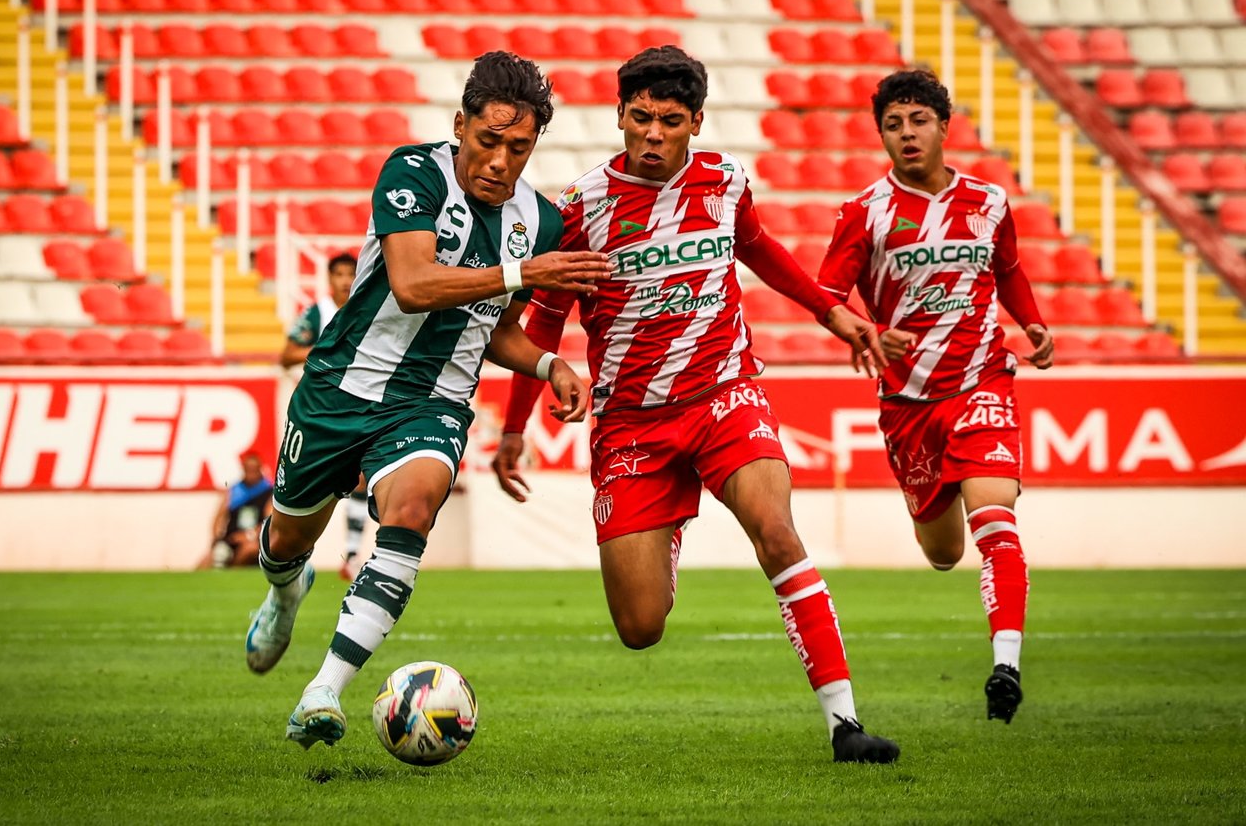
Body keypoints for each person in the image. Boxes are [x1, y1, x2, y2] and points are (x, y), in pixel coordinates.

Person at [492, 46, 899, 764]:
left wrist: (830, 312)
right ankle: (668, 525)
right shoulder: (584, 207)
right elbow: (547, 321)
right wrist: (514, 427)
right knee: (640, 626)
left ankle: (845, 723)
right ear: (619, 115)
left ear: (697, 123)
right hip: (632, 427)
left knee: (777, 531)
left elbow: (760, 247)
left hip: (723, 396)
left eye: (670, 121)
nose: (652, 134)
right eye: (640, 118)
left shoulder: (724, 181)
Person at [244, 51, 613, 750]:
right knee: (289, 538)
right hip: (340, 389)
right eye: (488, 141)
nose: (501, 161)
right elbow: (414, 284)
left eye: (519, 147)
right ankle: (285, 590)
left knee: (412, 511)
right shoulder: (412, 173)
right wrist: (522, 271)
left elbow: (495, 326)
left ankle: (323, 691)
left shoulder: (540, 220)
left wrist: (547, 362)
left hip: (432, 402)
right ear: (459, 126)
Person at [817, 69, 1055, 724]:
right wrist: (865, 331)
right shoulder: (864, 212)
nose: (906, 134)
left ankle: (1005, 665)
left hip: (983, 379)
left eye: (918, 120)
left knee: (996, 520)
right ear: (882, 136)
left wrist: (1030, 321)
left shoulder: (989, 202)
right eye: (893, 124)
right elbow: (825, 296)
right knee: (944, 553)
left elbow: (1007, 270)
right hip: (908, 403)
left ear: (943, 127)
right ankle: (951, 540)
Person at [279, 253, 369, 580]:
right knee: (309, 484)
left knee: (361, 477)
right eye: (339, 274)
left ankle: (353, 555)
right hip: (318, 412)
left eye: (351, 274)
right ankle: (294, 555)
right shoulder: (318, 313)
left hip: (359, 407)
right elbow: (287, 355)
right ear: (329, 279)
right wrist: (327, 350)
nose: (346, 280)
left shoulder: (367, 306)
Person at [199, 451, 272, 569]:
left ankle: (231, 573)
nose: (251, 473)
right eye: (248, 469)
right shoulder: (233, 491)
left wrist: (249, 535)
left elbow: (270, 521)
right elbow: (218, 518)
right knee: (208, 560)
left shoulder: (268, 492)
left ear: (260, 469)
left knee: (249, 550)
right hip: (232, 538)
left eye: (254, 469)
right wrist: (217, 539)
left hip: (254, 540)